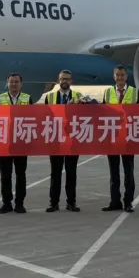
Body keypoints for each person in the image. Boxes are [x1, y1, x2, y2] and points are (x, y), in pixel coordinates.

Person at [102, 65, 139, 212]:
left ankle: (128, 202)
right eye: (117, 75)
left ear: (126, 77)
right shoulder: (108, 92)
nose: (120, 78)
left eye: (122, 75)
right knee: (114, 173)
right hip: (112, 137)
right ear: (114, 77)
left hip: (128, 138)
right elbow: (102, 112)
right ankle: (115, 202)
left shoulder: (135, 93)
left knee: (129, 172)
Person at [43, 70, 82, 212]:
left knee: (71, 173)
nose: (64, 81)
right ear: (58, 80)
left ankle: (71, 202)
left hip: (72, 141)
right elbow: (45, 117)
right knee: (55, 173)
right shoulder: (50, 96)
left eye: (67, 79)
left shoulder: (78, 97)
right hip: (56, 141)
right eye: (62, 79)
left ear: (71, 81)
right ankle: (53, 203)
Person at [0, 73, 31, 213]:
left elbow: (34, 118)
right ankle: (6, 203)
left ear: (21, 84)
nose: (14, 84)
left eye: (16, 82)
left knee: (20, 174)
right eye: (11, 82)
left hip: (21, 142)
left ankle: (19, 203)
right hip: (5, 143)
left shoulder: (27, 98)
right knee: (5, 175)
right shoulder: (0, 98)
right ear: (7, 83)